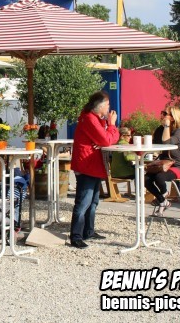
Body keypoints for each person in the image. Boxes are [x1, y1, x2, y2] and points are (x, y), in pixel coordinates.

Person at [69, 91, 119, 249]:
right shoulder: (90, 119)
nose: (109, 108)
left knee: (93, 202)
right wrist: (111, 125)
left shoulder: (94, 119)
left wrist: (105, 135)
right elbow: (107, 140)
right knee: (84, 202)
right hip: (87, 165)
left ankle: (88, 231)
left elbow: (106, 140)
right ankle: (76, 236)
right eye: (107, 105)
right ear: (100, 106)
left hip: (92, 165)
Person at [147, 106, 180, 213]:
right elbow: (154, 144)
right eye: (162, 113)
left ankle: (164, 193)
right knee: (146, 179)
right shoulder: (160, 129)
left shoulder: (179, 132)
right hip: (163, 164)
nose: (162, 115)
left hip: (177, 166)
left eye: (165, 114)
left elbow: (166, 143)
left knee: (159, 177)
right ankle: (163, 201)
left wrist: (166, 126)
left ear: (173, 118)